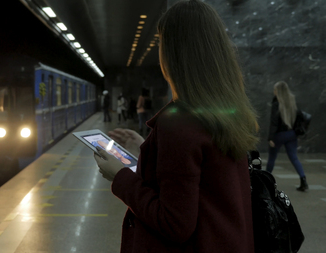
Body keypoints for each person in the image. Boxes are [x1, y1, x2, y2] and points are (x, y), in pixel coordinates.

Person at [93, 0, 259, 252]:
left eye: (161, 42)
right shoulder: (226, 112)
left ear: (175, 52)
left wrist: (120, 177)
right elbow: (206, 183)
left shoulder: (180, 122)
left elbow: (174, 223)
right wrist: (148, 151)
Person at [266, 81, 308, 191]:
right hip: (291, 134)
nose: (273, 91)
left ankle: (264, 182)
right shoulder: (292, 102)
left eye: (275, 89)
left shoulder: (276, 104)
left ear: (278, 91)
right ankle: (303, 180)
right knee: (294, 157)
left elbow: (274, 123)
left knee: (272, 158)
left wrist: (270, 138)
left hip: (279, 135)